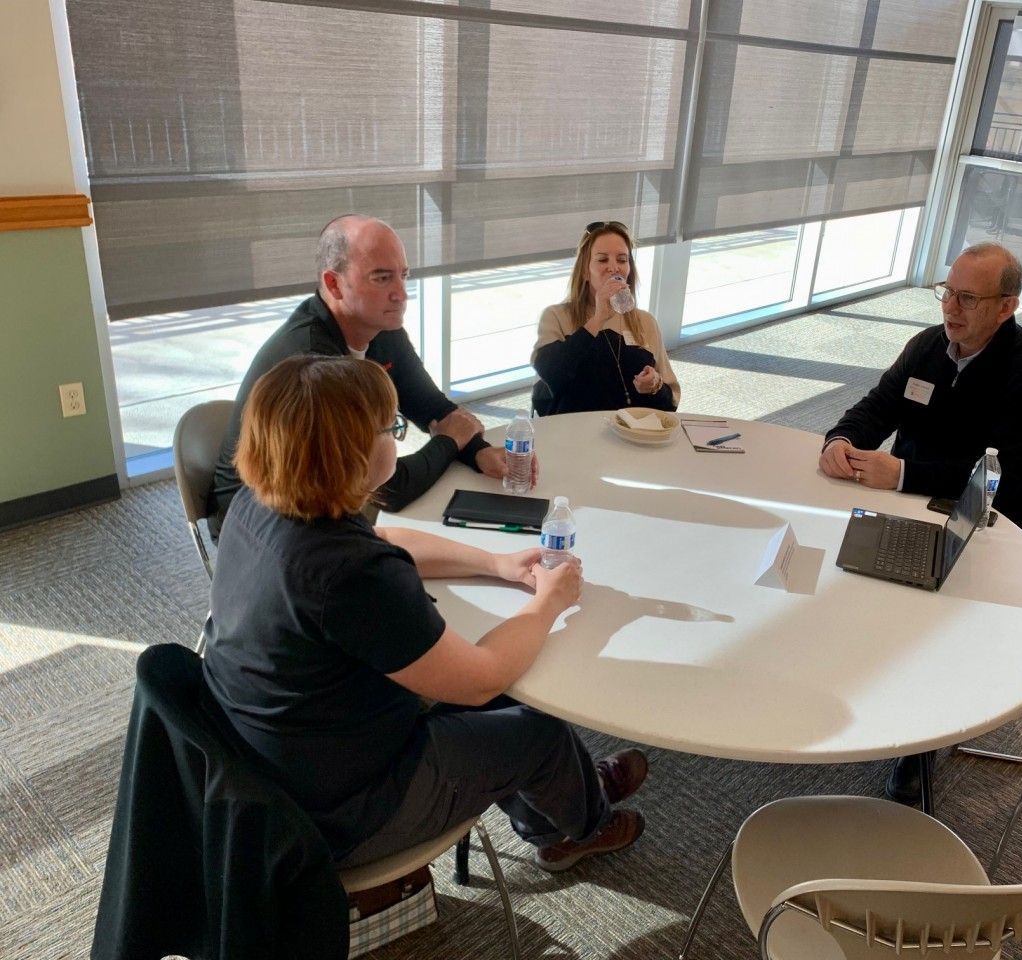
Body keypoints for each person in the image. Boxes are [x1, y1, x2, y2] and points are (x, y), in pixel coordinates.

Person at [202, 354, 647, 874]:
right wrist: (548, 601)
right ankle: (581, 826)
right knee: (535, 727)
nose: (397, 439)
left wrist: (496, 564)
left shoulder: (261, 505)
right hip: (340, 811)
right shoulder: (352, 576)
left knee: (508, 690)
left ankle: (562, 797)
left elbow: (384, 537)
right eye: (389, 429)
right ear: (350, 452)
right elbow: (480, 679)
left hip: (281, 755)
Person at [818, 241, 1022, 806]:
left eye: (968, 298)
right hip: (906, 499)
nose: (951, 308)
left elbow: (997, 476)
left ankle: (918, 745)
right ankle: (851, 673)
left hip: (988, 524)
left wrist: (902, 473)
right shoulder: (929, 346)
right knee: (840, 557)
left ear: (1007, 307)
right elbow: (879, 405)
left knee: (931, 615)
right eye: (947, 292)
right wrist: (842, 439)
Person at [209, 214, 516, 538]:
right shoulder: (312, 365)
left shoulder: (380, 327)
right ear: (333, 284)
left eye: (403, 276)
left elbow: (431, 407)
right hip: (260, 523)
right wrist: (452, 440)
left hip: (323, 500)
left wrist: (478, 452)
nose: (401, 294)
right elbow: (385, 487)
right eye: (382, 279)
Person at [531, 220, 681, 415]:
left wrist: (655, 385)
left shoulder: (645, 322)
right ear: (585, 270)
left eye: (622, 260)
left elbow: (671, 403)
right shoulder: (556, 316)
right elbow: (552, 375)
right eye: (603, 260)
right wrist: (597, 319)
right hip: (576, 433)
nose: (614, 268)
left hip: (632, 434)